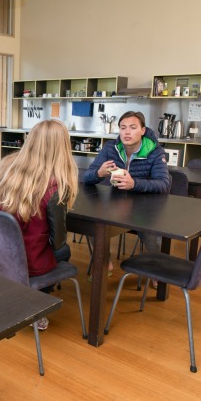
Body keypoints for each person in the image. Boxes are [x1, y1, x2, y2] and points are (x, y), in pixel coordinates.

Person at [0, 119, 78, 331]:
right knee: (65, 251)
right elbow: (58, 241)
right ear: (63, 148)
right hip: (31, 263)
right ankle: (36, 304)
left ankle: (15, 293)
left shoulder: (10, 169)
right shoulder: (56, 188)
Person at [84, 110, 170, 284]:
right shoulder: (110, 148)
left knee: (151, 235)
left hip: (145, 207)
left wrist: (134, 184)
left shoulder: (155, 151)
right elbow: (87, 176)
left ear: (143, 130)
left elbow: (164, 184)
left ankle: (156, 270)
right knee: (92, 223)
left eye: (132, 127)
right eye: (123, 128)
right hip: (115, 204)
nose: (127, 132)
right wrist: (99, 173)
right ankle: (105, 261)